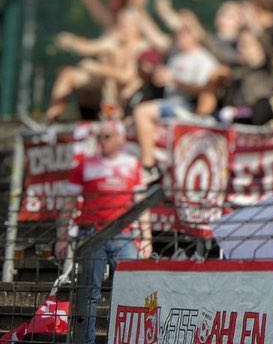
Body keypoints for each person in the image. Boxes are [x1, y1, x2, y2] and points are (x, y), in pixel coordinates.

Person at [56, 121, 150, 344]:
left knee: (133, 291)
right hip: (92, 234)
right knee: (88, 293)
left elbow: (141, 205)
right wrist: (61, 238)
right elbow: (68, 204)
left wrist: (146, 238)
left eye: (107, 136)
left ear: (120, 139)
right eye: (99, 137)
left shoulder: (131, 164)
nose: (102, 141)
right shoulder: (85, 165)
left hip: (122, 235)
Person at [132, 24, 218, 180]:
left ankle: (148, 165)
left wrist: (174, 80)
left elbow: (204, 89)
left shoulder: (203, 60)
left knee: (142, 112)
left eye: (184, 33)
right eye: (178, 33)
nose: (180, 37)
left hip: (187, 104)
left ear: (195, 36)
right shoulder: (175, 55)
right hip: (169, 101)